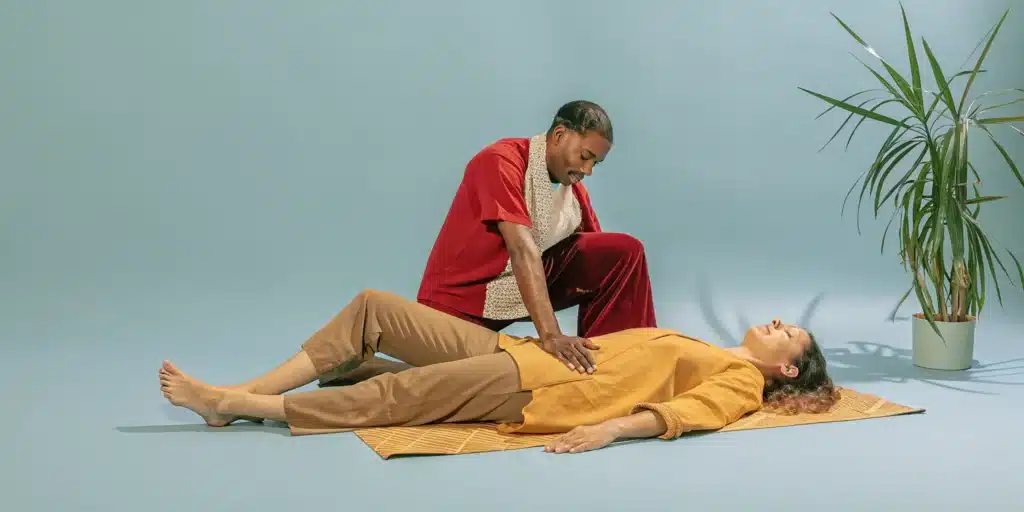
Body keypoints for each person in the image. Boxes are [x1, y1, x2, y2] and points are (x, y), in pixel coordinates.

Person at [159, 290, 840, 454]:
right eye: (782, 319)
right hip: (523, 352)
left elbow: (692, 413)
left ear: (785, 369)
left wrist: (610, 430)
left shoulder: (743, 380)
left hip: (538, 386)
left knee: (398, 394)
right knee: (375, 309)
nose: (777, 323)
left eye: (790, 334)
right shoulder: (703, 343)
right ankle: (248, 390)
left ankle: (240, 405)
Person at [320, 101, 657, 385]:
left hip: (511, 292)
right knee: (454, 380)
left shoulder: (572, 193)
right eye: (585, 156)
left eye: (595, 163)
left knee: (624, 251)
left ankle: (620, 364)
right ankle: (369, 369)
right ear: (558, 135)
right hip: (460, 302)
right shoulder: (500, 161)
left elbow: (598, 255)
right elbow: (521, 248)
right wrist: (551, 336)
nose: (588, 170)